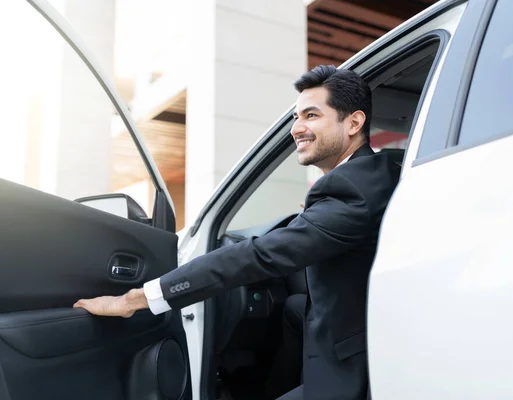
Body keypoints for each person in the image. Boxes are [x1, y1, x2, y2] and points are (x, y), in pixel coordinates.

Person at [74, 65, 401, 400]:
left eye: (311, 115)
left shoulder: (352, 189)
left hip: (359, 372)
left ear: (354, 122)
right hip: (363, 338)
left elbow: (258, 256)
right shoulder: (378, 173)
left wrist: (134, 299)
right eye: (295, 117)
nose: (297, 129)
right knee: (292, 308)